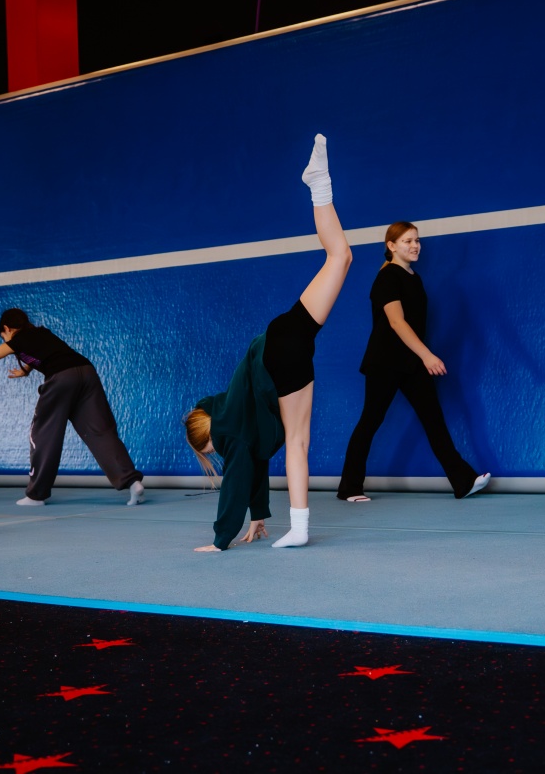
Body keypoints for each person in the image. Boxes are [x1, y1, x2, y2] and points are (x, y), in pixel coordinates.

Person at [184, 135, 352, 551]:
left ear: (209, 438)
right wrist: (258, 515)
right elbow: (256, 463)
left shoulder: (230, 434)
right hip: (283, 336)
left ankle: (300, 527)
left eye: (211, 449)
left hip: (281, 355)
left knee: (297, 442)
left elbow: (238, 477)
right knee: (340, 256)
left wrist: (221, 539)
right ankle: (319, 183)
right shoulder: (230, 410)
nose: (218, 452)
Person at [0, 309, 146, 507]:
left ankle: (36, 495)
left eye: (3, 336)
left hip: (61, 378)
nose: (4, 339)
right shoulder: (42, 333)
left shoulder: (16, 341)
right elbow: (46, 352)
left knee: (43, 434)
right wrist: (26, 370)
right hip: (86, 372)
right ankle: (132, 482)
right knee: (100, 431)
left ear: (7, 329)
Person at [335, 222, 490, 503]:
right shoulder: (387, 278)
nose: (415, 246)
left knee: (434, 420)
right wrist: (427, 355)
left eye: (417, 240)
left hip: (410, 361)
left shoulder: (414, 278)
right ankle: (349, 488)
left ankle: (463, 481)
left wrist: (420, 357)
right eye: (407, 241)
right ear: (391, 246)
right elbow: (397, 322)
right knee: (370, 421)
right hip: (385, 361)